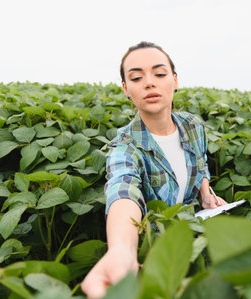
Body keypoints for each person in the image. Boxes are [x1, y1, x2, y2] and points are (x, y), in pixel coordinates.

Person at [81, 41, 227, 299]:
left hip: (197, 242)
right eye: (136, 77)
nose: (149, 82)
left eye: (159, 74)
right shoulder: (124, 146)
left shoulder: (193, 126)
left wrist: (206, 193)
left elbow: (201, 163)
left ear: (175, 80)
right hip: (157, 255)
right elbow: (122, 188)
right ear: (126, 89)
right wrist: (122, 251)